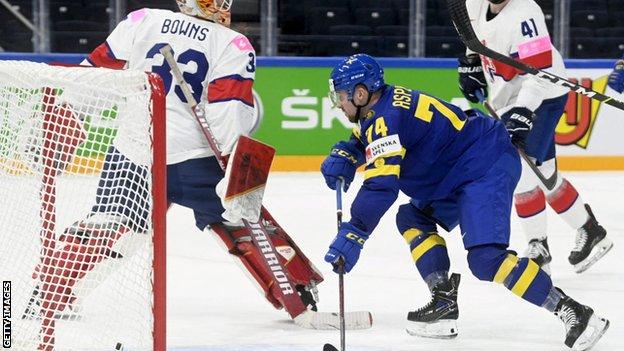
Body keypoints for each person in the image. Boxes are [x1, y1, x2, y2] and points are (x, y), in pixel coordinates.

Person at [27, 0, 322, 323]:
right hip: (194, 160)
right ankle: (295, 287)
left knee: (111, 222)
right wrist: (236, 170)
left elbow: (92, 77)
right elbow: (229, 113)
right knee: (240, 221)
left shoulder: (142, 20)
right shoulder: (232, 43)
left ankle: (52, 291)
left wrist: (63, 119)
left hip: (135, 150)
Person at [320, 53, 609, 350]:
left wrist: (355, 231)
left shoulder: (385, 118)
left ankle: (574, 311)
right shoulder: (381, 107)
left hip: (484, 165)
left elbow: (381, 186)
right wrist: (349, 152)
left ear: (360, 93)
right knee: (412, 218)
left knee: (486, 260)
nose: (338, 104)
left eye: (341, 96)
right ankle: (443, 300)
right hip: (459, 169)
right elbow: (366, 136)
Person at [458, 0, 612, 274]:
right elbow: (472, 35)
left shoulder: (525, 13)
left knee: (521, 174)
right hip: (508, 95)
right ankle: (590, 230)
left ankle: (538, 246)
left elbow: (539, 75)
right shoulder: (474, 4)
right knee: (545, 172)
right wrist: (471, 61)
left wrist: (524, 111)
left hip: (542, 95)